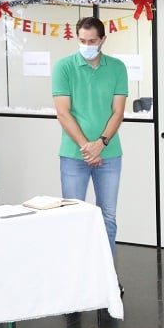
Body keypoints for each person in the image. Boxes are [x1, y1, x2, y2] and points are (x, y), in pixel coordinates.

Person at [53, 17, 128, 257]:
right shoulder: (64, 67)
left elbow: (118, 112)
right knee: (73, 216)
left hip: (109, 154)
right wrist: (87, 147)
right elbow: (63, 113)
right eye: (82, 40)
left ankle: (107, 274)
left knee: (108, 217)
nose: (86, 45)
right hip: (74, 155)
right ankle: (76, 274)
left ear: (103, 40)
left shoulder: (117, 67)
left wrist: (101, 143)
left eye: (92, 41)